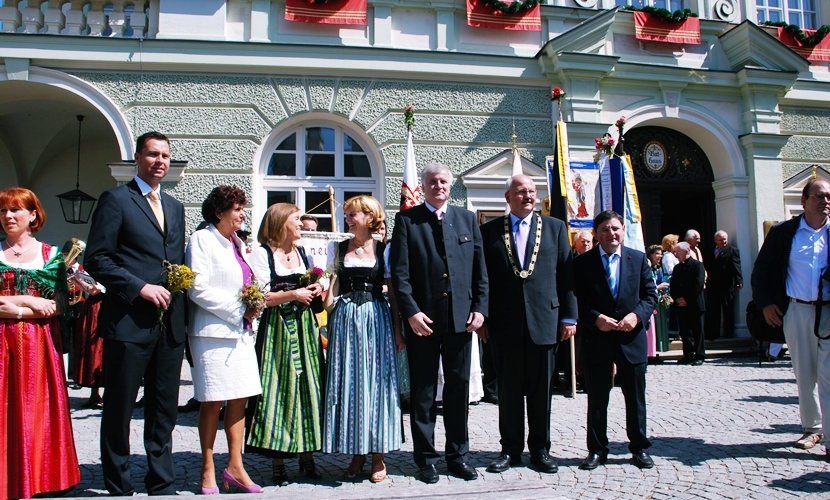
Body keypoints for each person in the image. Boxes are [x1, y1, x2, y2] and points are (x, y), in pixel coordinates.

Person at [85, 131, 187, 496]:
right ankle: (118, 482)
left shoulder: (175, 207)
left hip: (170, 324)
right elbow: (97, 259)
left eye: (165, 156)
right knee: (119, 407)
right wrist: (139, 287)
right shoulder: (116, 199)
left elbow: (174, 260)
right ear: (137, 158)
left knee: (164, 409)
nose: (160, 161)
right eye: (152, 155)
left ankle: (161, 480)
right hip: (129, 321)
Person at [390, 161, 489, 483]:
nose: (439, 186)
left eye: (444, 181)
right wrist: (411, 313)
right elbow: (400, 275)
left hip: (461, 321)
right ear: (424, 185)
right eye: (432, 181)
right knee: (423, 392)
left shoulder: (465, 219)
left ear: (450, 185)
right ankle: (426, 459)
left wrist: (480, 309)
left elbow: (480, 271)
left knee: (459, 392)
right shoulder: (407, 220)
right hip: (423, 322)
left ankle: (458, 456)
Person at [479, 175, 577, 474]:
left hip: (545, 322)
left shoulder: (556, 228)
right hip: (504, 325)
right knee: (507, 392)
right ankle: (510, 449)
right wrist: (481, 316)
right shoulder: (490, 231)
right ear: (507, 197)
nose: (528, 196)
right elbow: (482, 278)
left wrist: (569, 316)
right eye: (521, 192)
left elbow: (566, 275)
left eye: (532, 191)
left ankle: (541, 450)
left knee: (541, 393)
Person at [0, 187, 81, 498]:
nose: (8, 216)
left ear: (33, 215)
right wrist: (26, 302)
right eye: (4, 211)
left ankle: (39, 478)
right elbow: (39, 305)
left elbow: (57, 306)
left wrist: (13, 309)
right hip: (1, 345)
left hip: (39, 345)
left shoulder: (50, 256)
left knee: (37, 409)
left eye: (15, 210)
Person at [186, 186, 264, 494]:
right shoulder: (201, 240)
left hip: (241, 334)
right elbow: (197, 288)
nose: (242, 214)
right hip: (212, 334)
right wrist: (239, 309)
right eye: (237, 208)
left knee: (240, 398)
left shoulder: (237, 243)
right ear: (219, 212)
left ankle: (235, 465)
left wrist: (255, 301)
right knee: (212, 400)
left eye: (242, 208)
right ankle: (207, 467)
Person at [322, 195, 404, 482]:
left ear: (370, 217)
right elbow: (330, 287)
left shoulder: (385, 250)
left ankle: (378, 456)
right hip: (346, 321)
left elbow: (392, 294)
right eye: (347, 214)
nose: (348, 218)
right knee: (352, 386)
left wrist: (397, 329)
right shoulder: (338, 248)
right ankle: (357, 453)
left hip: (376, 320)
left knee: (377, 385)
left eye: (353, 214)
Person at [248, 203, 325, 485]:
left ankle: (307, 454)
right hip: (278, 329)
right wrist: (294, 294)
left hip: (305, 328)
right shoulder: (262, 254)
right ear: (281, 223)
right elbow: (260, 298)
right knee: (277, 388)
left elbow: (310, 291)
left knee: (309, 386)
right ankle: (278, 460)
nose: (302, 224)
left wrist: (316, 288)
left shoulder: (301, 252)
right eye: (296, 219)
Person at [751, 178, 830, 454]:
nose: (825, 201)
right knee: (804, 373)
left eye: (828, 196)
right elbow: (761, 270)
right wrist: (766, 304)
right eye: (819, 196)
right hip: (796, 309)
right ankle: (813, 429)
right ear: (804, 201)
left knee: (829, 374)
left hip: (829, 311)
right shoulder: (785, 232)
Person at [573, 210, 657, 471]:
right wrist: (595, 318)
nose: (611, 234)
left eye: (615, 228)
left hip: (631, 338)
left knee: (635, 397)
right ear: (597, 234)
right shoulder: (582, 263)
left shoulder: (638, 259)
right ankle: (597, 449)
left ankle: (639, 448)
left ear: (623, 230)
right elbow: (574, 299)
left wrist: (637, 316)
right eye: (605, 230)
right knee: (597, 397)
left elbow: (650, 296)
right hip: (597, 338)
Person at [671, 242, 707, 365]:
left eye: (677, 252)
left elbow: (698, 285)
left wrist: (687, 299)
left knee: (697, 331)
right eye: (674, 252)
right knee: (685, 332)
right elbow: (673, 285)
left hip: (694, 304)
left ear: (686, 252)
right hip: (681, 305)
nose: (675, 255)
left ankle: (700, 355)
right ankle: (688, 354)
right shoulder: (677, 267)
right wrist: (677, 299)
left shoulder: (697, 265)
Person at [705, 230, 743, 339]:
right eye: (720, 240)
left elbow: (737, 265)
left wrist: (739, 280)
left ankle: (729, 333)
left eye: (725, 239)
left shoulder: (732, 250)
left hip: (727, 285)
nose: (723, 242)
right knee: (713, 310)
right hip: (712, 285)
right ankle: (713, 333)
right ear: (715, 240)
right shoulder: (709, 250)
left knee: (728, 310)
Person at [646, 244, 671, 354]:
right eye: (657, 254)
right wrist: (658, 287)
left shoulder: (659, 268)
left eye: (661, 254)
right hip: (651, 300)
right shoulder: (647, 268)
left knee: (660, 326)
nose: (659, 256)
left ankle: (659, 350)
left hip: (659, 299)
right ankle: (652, 352)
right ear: (650, 255)